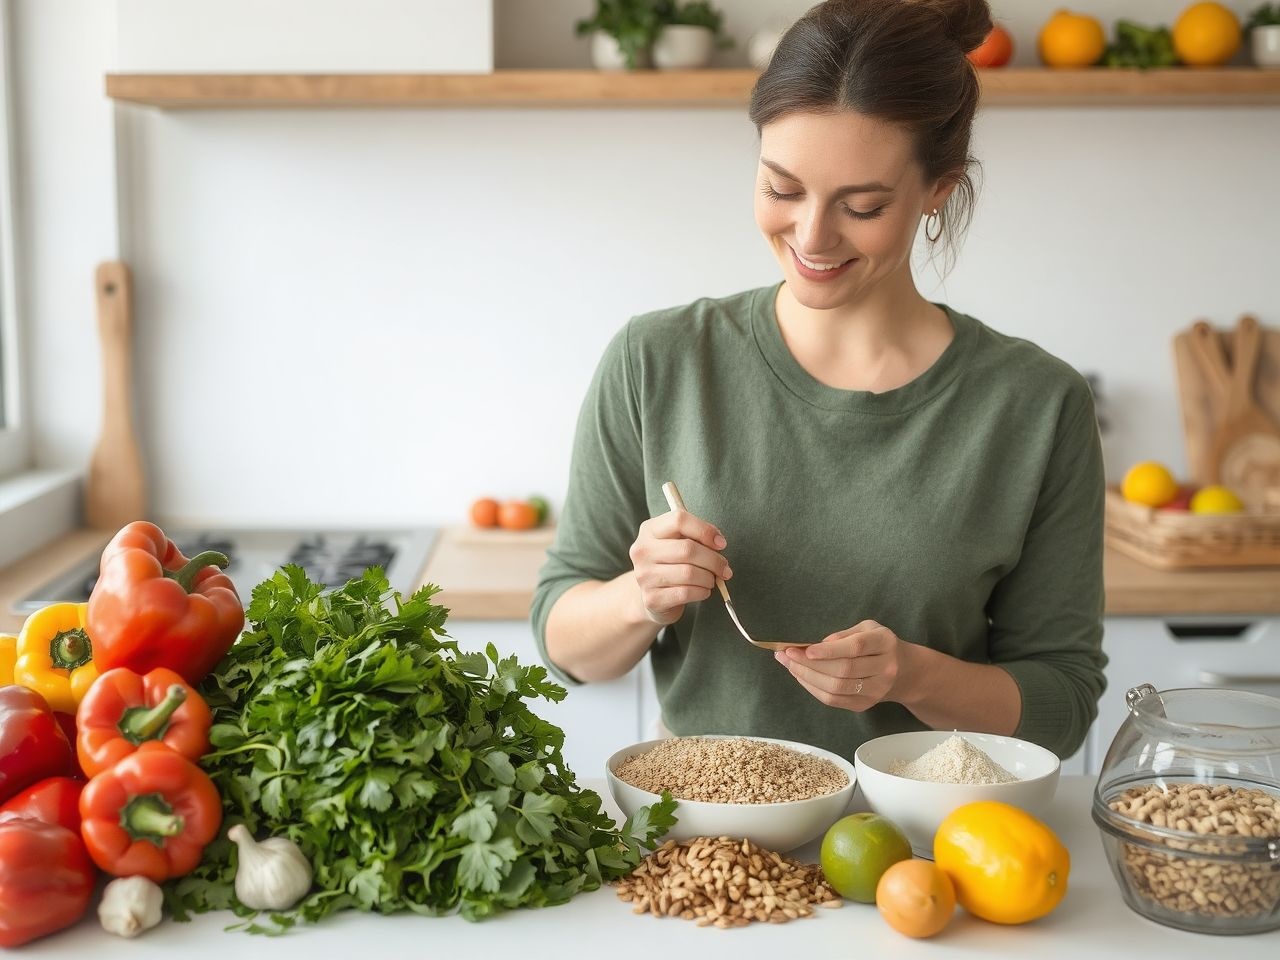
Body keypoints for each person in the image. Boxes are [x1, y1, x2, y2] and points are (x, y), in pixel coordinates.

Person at [531, 0, 1106, 764]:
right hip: (711, 850)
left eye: (861, 206)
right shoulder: (658, 359)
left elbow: (1062, 707)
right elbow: (566, 646)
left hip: (931, 853)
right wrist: (639, 597)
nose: (811, 237)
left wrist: (912, 674)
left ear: (939, 188)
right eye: (781, 189)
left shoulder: (1036, 405)